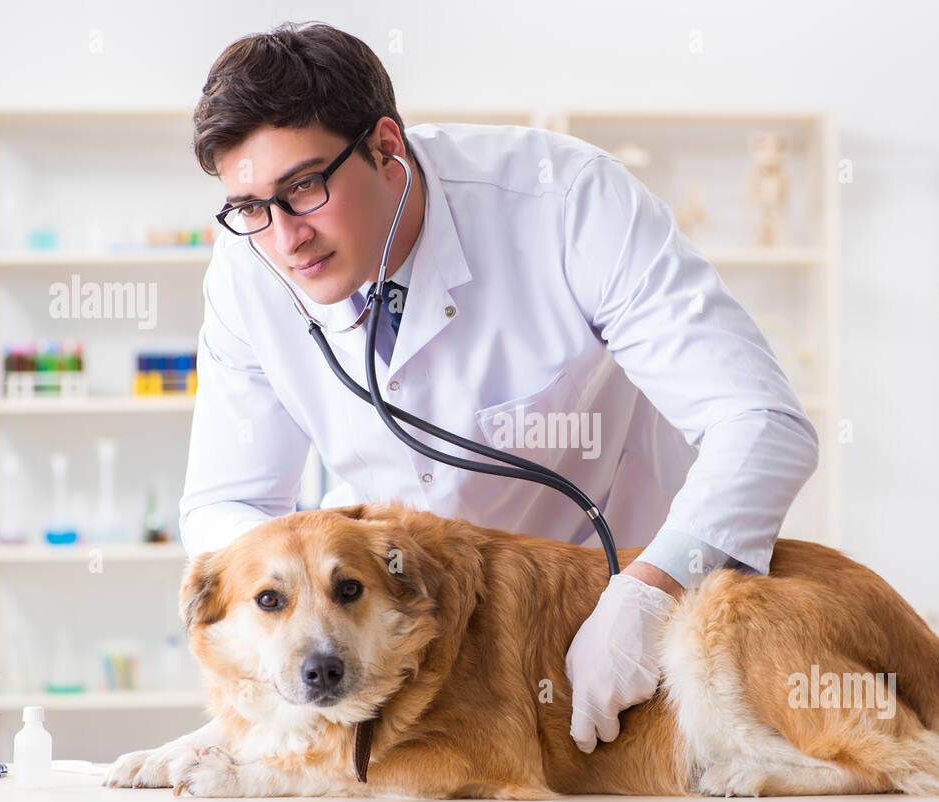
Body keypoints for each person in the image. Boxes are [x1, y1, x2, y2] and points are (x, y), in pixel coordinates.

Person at [181, 21, 820, 755]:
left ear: (387, 147)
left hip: (611, 622)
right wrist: (289, 631)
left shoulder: (567, 203)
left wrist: (648, 594)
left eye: (305, 187)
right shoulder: (247, 271)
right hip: (395, 658)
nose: (285, 238)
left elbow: (762, 422)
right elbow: (225, 502)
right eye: (251, 206)